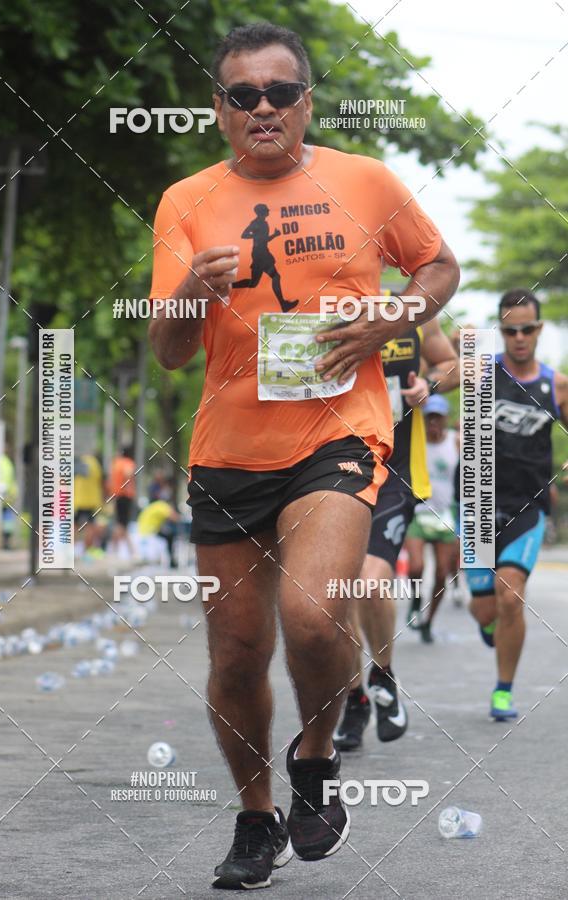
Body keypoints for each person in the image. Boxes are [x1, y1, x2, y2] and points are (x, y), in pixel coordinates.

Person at [149, 22, 459, 890]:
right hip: (227, 450)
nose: (263, 109)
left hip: (340, 432)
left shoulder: (364, 181)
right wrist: (187, 293)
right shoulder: (186, 199)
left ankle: (316, 754)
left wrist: (393, 318)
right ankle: (257, 817)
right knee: (236, 654)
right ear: (219, 109)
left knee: (316, 615)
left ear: (307, 100)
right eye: (243, 95)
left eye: (280, 92)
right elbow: (171, 351)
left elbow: (439, 267)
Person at [334, 317, 459, 751]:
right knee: (335, 594)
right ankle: (355, 698)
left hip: (394, 477)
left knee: (369, 582)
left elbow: (454, 364)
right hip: (329, 472)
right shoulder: (317, 305)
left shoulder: (411, 315)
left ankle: (382, 674)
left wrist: (429, 383)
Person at [465, 289, 568, 721]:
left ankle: (503, 690)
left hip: (527, 505)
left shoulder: (556, 384)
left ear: (539, 329)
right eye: (510, 330)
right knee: (484, 606)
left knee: (511, 598)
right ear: (501, 331)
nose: (520, 337)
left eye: (527, 328)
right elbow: (437, 381)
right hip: (477, 502)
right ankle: (490, 626)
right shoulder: (483, 373)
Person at [405, 394, 460, 643]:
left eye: (438, 418)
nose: (433, 423)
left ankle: (428, 621)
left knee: (442, 574)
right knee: (416, 567)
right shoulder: (414, 442)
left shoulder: (456, 442)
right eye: (429, 418)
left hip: (445, 516)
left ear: (446, 418)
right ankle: (416, 598)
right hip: (418, 513)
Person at [74, 453, 105, 555]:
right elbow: (100, 481)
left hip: (78, 500)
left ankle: (69, 550)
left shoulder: (78, 461)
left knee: (74, 525)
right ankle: (86, 551)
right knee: (90, 526)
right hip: (92, 500)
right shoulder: (95, 463)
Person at [108, 446, 136, 557]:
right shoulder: (127, 463)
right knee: (122, 524)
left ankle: (121, 550)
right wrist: (127, 486)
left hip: (117, 495)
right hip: (125, 496)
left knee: (121, 523)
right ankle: (120, 549)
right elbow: (128, 473)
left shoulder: (115, 463)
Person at [137, 499, 181, 568]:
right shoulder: (164, 507)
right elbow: (175, 518)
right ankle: (172, 561)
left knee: (168, 535)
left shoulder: (158, 505)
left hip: (144, 529)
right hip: (150, 530)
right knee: (170, 537)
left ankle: (171, 560)